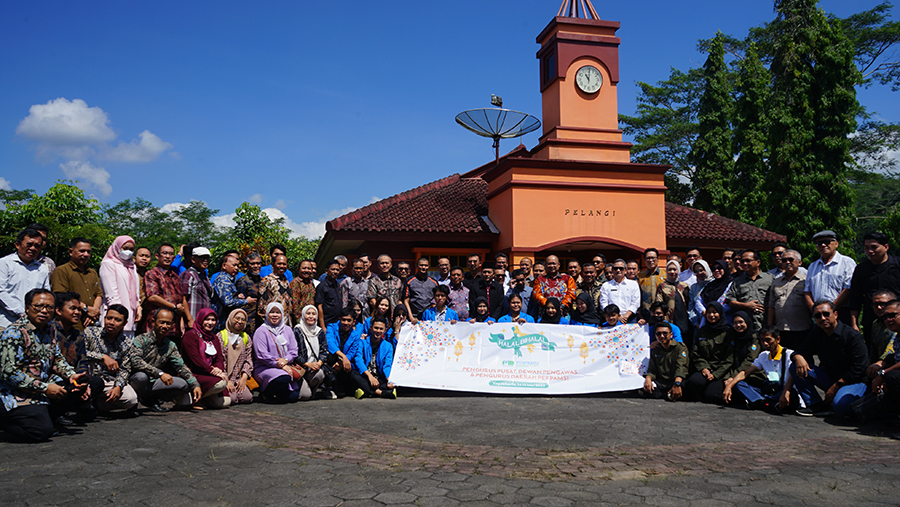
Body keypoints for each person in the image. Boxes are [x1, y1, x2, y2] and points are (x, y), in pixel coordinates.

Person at [0, 289, 95, 442]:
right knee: (40, 432)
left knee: (81, 384)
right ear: (27, 307)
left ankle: (47, 417)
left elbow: (57, 359)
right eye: (39, 306)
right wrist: (44, 388)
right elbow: (8, 372)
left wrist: (71, 375)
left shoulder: (49, 330)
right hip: (15, 392)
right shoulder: (14, 333)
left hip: (41, 387)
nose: (44, 311)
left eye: (49, 307)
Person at [790, 300, 868, 417]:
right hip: (830, 378)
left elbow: (860, 367)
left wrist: (837, 386)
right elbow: (802, 350)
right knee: (795, 366)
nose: (822, 318)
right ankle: (816, 405)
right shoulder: (817, 332)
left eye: (826, 314)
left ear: (835, 314)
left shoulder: (852, 336)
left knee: (841, 406)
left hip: (853, 381)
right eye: (818, 316)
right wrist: (798, 357)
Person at [129, 308, 203, 412]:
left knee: (184, 384)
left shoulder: (170, 345)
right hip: (136, 380)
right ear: (153, 322)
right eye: (161, 322)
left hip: (154, 382)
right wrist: (159, 373)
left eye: (168, 323)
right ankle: (132, 404)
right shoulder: (141, 339)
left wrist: (195, 384)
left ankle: (151, 400)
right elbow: (135, 361)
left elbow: (181, 366)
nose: (164, 326)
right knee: (142, 377)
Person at [79, 304, 139, 414]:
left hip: (108, 381)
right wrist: (102, 357)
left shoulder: (127, 344)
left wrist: (118, 387)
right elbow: (80, 353)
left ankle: (96, 405)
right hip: (88, 377)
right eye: (109, 318)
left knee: (131, 399)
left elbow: (125, 369)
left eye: (117, 320)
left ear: (124, 323)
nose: (111, 322)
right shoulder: (90, 332)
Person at [723, 326, 796, 412]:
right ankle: (764, 402)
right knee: (739, 384)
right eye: (762, 340)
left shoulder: (789, 355)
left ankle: (761, 402)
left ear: (778, 339)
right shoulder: (763, 355)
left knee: (792, 393)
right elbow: (745, 373)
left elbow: (792, 377)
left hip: (785, 390)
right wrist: (729, 386)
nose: (765, 343)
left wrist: (786, 391)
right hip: (770, 391)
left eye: (768, 340)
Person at [849, 232, 900, 346]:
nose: (870, 251)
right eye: (867, 248)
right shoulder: (861, 269)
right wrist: (854, 323)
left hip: (896, 318)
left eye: (874, 247)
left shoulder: (897, 265)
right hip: (871, 320)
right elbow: (855, 298)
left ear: (886, 247)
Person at [253, 302, 305, 403]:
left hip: (285, 367)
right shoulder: (261, 331)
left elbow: (294, 350)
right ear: (267, 314)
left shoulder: (287, 330)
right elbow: (262, 355)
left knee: (293, 397)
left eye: (278, 312)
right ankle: (265, 393)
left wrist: (286, 360)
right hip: (265, 367)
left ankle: (278, 391)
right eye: (272, 312)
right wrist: (279, 364)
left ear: (282, 314)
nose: (275, 315)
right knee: (284, 378)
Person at [0, 228, 51, 330]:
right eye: (29, 244)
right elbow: (1, 292)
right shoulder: (4, 264)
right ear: (17, 245)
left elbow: (46, 295)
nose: (33, 248)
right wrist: (22, 313)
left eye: (37, 246)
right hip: (7, 323)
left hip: (34, 325)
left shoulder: (42, 269)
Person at [180, 308, 231, 409]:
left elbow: (219, 358)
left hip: (209, 373)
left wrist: (218, 369)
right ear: (200, 319)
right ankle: (195, 398)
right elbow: (195, 359)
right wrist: (212, 371)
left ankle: (203, 398)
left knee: (225, 402)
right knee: (221, 384)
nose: (210, 323)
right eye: (207, 319)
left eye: (213, 320)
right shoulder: (190, 335)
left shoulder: (214, 338)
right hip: (194, 372)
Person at [683, 302, 734, 404]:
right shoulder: (701, 331)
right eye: (709, 312)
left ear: (720, 313)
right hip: (706, 369)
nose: (711, 315)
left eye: (714, 312)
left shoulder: (728, 332)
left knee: (712, 396)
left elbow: (730, 358)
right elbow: (697, 353)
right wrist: (704, 368)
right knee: (693, 382)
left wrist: (715, 375)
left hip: (721, 371)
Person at [805, 230, 856, 325]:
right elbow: (807, 291)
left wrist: (831, 310)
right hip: (819, 316)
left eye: (827, 241)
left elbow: (848, 289)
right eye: (819, 243)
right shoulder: (812, 266)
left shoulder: (847, 262)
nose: (823, 245)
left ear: (836, 244)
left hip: (841, 313)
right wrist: (815, 311)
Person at [50, 237, 103, 329]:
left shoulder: (92, 273)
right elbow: (61, 295)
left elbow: (98, 294)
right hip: (71, 324)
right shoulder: (62, 271)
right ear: (71, 252)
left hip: (91, 322)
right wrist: (86, 309)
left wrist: (94, 312)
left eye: (88, 252)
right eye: (82, 251)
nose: (86, 254)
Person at [143, 244, 192, 339]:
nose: (168, 256)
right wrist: (174, 307)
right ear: (157, 256)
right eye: (164, 253)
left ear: (174, 258)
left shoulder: (175, 276)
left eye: (170, 254)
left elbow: (181, 299)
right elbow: (152, 297)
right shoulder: (152, 274)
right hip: (157, 326)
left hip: (174, 327)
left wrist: (185, 319)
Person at [766, 250, 811, 349]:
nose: (787, 262)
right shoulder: (776, 282)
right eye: (784, 260)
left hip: (801, 329)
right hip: (780, 329)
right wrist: (769, 327)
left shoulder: (806, 281)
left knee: (802, 356)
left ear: (799, 262)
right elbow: (771, 306)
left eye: (790, 259)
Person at [98, 236, 142, 338]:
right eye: (125, 248)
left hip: (130, 318)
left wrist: (138, 307)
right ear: (117, 248)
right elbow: (111, 294)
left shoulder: (131, 266)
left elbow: (135, 290)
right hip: (115, 318)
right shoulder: (108, 264)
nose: (128, 252)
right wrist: (119, 316)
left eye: (131, 249)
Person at [725, 249, 774, 332]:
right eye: (742, 261)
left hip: (766, 325)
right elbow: (730, 301)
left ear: (758, 262)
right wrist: (746, 305)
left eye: (748, 261)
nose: (744, 263)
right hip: (745, 327)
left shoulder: (770, 278)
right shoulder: (737, 281)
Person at [870, 300, 900, 427]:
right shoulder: (897, 336)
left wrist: (883, 374)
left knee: (892, 376)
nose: (888, 320)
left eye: (892, 315)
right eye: (885, 317)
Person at [640, 322, 688, 401]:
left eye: (665, 333)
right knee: (643, 386)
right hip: (661, 382)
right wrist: (648, 378)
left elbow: (681, 367)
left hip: (675, 380)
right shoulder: (655, 349)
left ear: (671, 335)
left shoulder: (680, 347)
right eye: (658, 334)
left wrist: (677, 384)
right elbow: (652, 369)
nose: (662, 336)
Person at [351, 317, 397, 399]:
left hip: (378, 376)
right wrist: (370, 376)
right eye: (376, 328)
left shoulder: (388, 346)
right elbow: (358, 360)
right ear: (371, 328)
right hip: (365, 375)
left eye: (381, 329)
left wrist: (389, 379)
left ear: (385, 330)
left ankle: (366, 391)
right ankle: (380, 393)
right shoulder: (362, 342)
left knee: (389, 383)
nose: (378, 331)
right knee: (353, 374)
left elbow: (387, 364)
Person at [216, 309, 254, 405]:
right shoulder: (221, 336)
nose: (240, 321)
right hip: (224, 377)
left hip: (238, 378)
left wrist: (244, 377)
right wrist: (226, 381)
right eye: (237, 318)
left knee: (247, 398)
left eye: (243, 320)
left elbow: (248, 359)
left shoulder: (246, 337)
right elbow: (220, 361)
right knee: (232, 399)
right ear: (230, 318)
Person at [293, 305, 330, 399]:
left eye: (313, 314)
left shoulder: (320, 331)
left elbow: (324, 350)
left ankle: (312, 391)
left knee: (320, 374)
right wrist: (308, 364)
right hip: (301, 368)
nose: (311, 316)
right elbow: (294, 353)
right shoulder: (297, 330)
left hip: (314, 369)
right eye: (308, 313)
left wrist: (319, 363)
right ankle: (305, 390)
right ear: (303, 315)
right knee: (304, 396)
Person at [211, 253, 256, 328]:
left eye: (237, 266)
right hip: (221, 323)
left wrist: (237, 296)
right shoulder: (223, 280)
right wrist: (246, 301)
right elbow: (228, 302)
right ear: (224, 266)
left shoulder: (229, 279)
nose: (236, 268)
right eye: (234, 265)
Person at [325, 308, 362, 397]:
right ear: (339, 319)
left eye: (349, 320)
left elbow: (352, 352)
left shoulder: (356, 335)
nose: (346, 323)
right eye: (343, 320)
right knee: (331, 357)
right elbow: (330, 343)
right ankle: (328, 385)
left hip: (343, 363)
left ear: (354, 322)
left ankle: (338, 384)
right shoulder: (331, 327)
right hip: (333, 358)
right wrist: (343, 357)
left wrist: (342, 361)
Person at [656, 259, 692, 346]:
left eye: (674, 269)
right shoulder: (662, 286)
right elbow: (659, 304)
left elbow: (689, 302)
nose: (672, 272)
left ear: (678, 270)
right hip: (669, 319)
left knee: (685, 343)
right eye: (669, 269)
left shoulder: (684, 286)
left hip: (684, 319)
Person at [49, 292, 84, 369]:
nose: (77, 312)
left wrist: (81, 374)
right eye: (72, 308)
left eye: (79, 309)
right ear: (58, 311)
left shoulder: (78, 335)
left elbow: (83, 361)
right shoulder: (50, 331)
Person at [599, 259, 641, 324]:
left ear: (625, 270)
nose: (618, 270)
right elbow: (603, 303)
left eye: (621, 268)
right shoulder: (606, 285)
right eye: (616, 268)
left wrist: (626, 316)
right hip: (611, 319)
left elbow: (636, 302)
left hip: (630, 319)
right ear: (612, 270)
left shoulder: (633, 284)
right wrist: (616, 316)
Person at [258, 254, 293, 327]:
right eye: (279, 264)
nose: (282, 266)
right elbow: (261, 306)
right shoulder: (267, 280)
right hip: (272, 324)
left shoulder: (286, 281)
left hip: (285, 324)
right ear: (273, 265)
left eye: (284, 264)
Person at [181, 246, 213, 323]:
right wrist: (189, 319)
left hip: (204, 322)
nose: (206, 260)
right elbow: (182, 298)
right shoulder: (188, 275)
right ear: (193, 259)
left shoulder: (204, 276)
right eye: (202, 258)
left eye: (207, 258)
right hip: (193, 320)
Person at [697, 260, 734, 328]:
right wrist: (704, 311)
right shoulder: (710, 285)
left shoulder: (732, 283)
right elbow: (699, 301)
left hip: (726, 319)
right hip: (708, 319)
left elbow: (730, 301)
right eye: (714, 269)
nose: (716, 270)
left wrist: (715, 311)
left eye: (719, 268)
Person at [866, 290, 898, 364]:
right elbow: (874, 350)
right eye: (875, 304)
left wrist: (882, 362)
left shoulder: (896, 323)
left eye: (883, 304)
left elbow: (892, 346)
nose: (879, 307)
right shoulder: (876, 324)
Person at [405, 257, 439, 323]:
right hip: (414, 317)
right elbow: (406, 301)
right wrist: (411, 318)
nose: (423, 267)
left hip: (429, 316)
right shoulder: (409, 281)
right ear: (417, 266)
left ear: (428, 267)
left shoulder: (434, 282)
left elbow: (436, 300)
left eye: (426, 265)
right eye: (421, 265)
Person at [236, 252, 263, 334]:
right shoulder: (243, 281)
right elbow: (240, 304)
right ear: (247, 266)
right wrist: (245, 324)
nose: (256, 266)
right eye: (252, 264)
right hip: (249, 323)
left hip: (261, 322)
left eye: (258, 263)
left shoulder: (263, 281)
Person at [316, 259, 345, 330]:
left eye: (337, 270)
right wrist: (323, 327)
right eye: (333, 269)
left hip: (338, 324)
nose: (335, 272)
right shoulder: (322, 287)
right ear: (326, 271)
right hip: (327, 324)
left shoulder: (338, 285)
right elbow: (319, 307)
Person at [637, 248, 665, 314]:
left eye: (653, 258)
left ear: (658, 259)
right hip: (645, 314)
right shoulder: (640, 276)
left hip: (662, 313)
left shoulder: (665, 275)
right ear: (644, 260)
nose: (650, 260)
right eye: (648, 258)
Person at [289, 259, 317, 324]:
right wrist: (300, 322)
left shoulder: (310, 282)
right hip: (301, 321)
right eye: (304, 268)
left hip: (310, 319)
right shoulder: (296, 283)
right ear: (298, 269)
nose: (306, 270)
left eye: (309, 268)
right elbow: (295, 305)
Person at [687, 260, 711, 329]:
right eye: (696, 271)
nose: (699, 273)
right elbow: (691, 307)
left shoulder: (714, 284)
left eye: (701, 270)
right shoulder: (694, 287)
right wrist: (695, 323)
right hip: (699, 325)